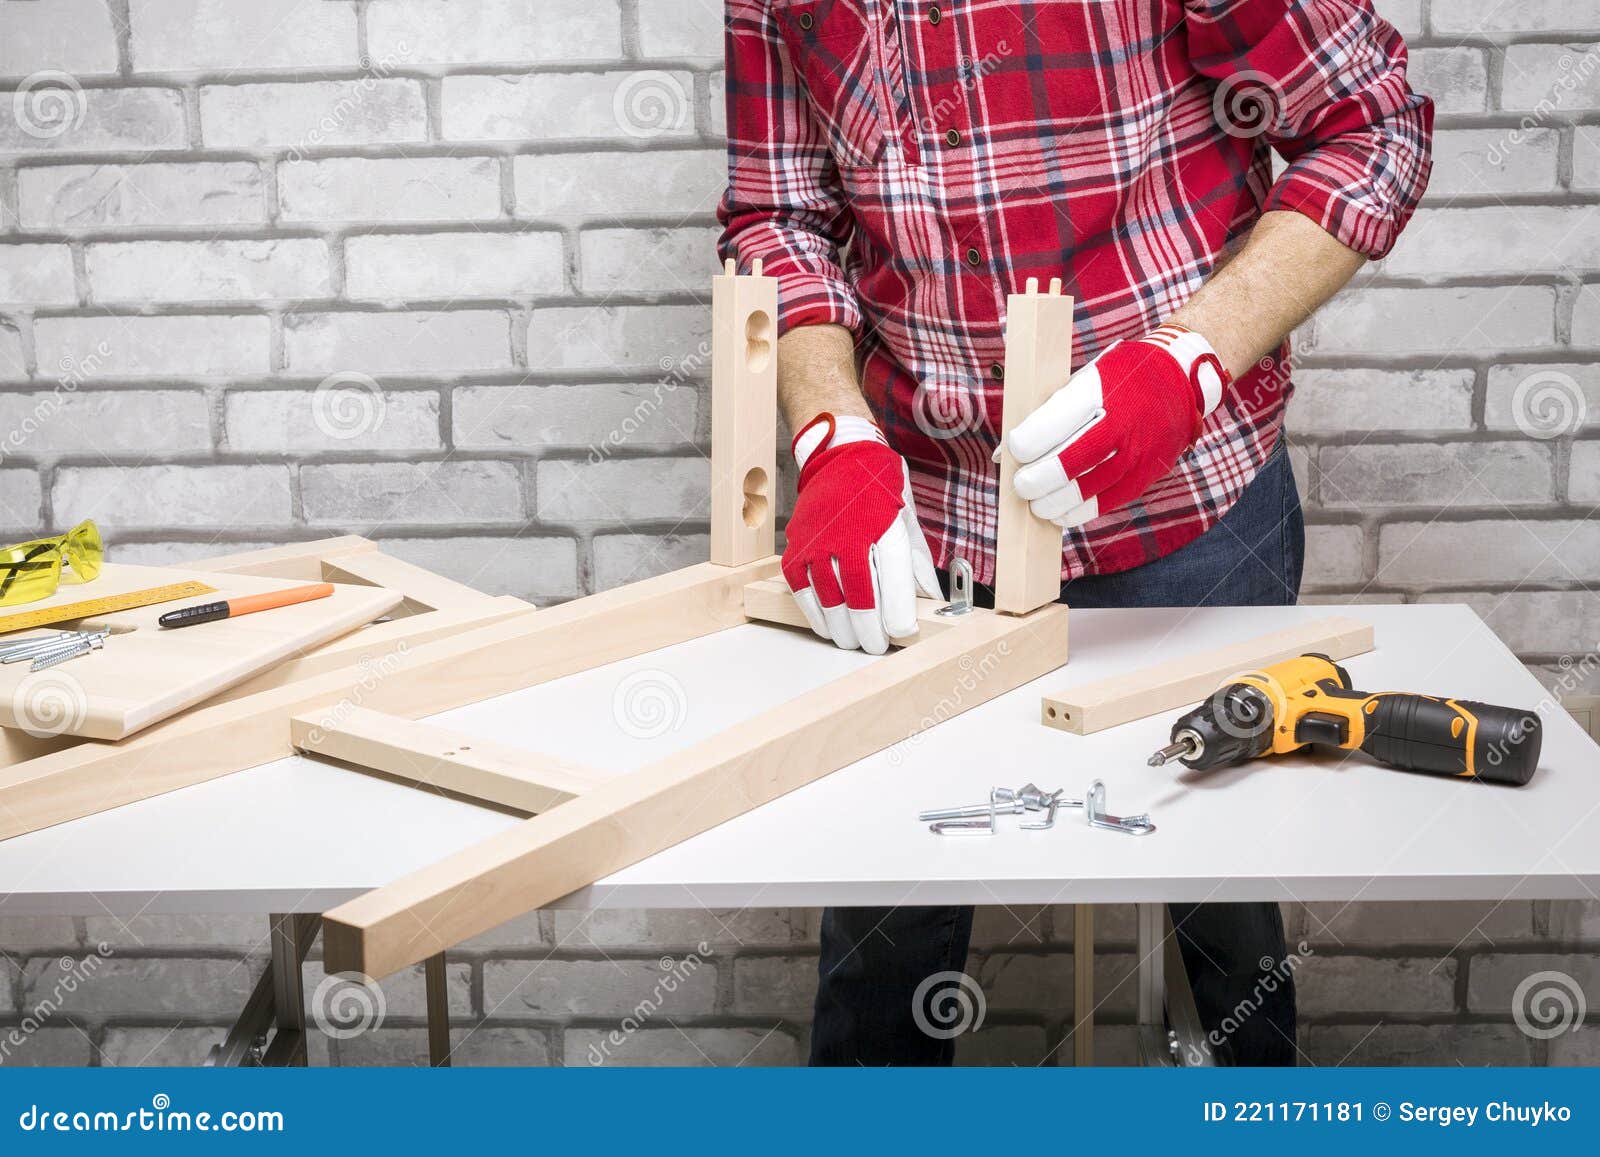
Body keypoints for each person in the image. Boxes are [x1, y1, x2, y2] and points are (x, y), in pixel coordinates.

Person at [717, 0, 1432, 1065]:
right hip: (925, 535)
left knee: (1221, 910)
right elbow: (778, 215)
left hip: (1190, 516)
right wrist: (830, 432)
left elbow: (1372, 128)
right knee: (883, 930)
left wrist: (1190, 361)